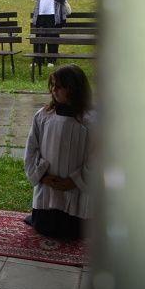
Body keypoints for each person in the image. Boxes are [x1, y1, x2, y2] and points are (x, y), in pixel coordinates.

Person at [24, 64, 93, 240]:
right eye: (52, 85)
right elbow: (32, 148)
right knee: (46, 227)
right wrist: (42, 175)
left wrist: (76, 180)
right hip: (48, 185)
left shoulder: (90, 122)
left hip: (76, 189)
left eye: (59, 86)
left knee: (73, 232)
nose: (54, 90)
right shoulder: (43, 116)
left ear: (74, 88)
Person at [31, 0, 70, 67]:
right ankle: (38, 59)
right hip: (40, 14)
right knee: (39, 37)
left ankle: (51, 60)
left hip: (54, 15)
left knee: (52, 37)